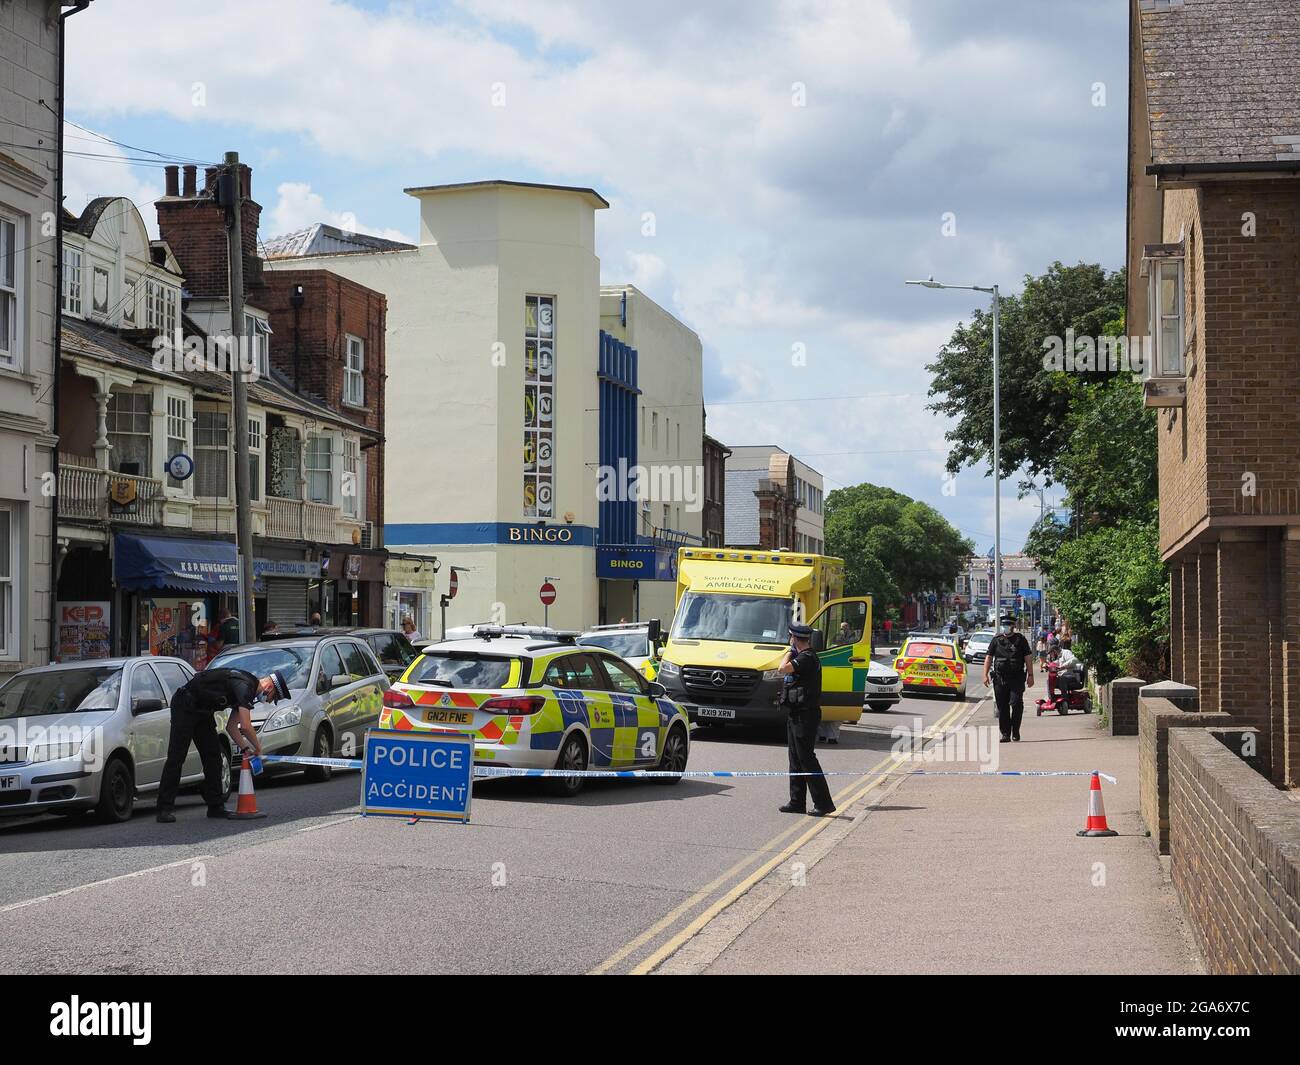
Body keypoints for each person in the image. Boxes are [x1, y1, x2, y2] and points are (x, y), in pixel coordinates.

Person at [156, 667, 285, 822]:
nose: (269, 701)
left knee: (213, 756)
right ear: (269, 687)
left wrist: (245, 748)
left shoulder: (247, 689)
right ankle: (164, 809)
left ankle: (215, 806)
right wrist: (258, 748)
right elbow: (245, 726)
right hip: (185, 705)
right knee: (177, 756)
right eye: (273, 698)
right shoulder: (245, 687)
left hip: (203, 710)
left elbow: (231, 727)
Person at [778, 623, 836, 817]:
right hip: (797, 712)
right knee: (795, 758)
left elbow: (782, 669)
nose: (790, 640)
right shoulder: (805, 657)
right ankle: (797, 801)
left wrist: (788, 652)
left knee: (807, 759)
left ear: (794, 638)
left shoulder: (807, 657)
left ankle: (824, 803)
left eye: (790, 638)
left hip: (806, 714)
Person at [983, 614, 1034, 743]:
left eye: (1008, 625)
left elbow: (1028, 657)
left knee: (1016, 704)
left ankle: (1015, 730)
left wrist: (1031, 675)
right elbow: (989, 657)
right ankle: (1005, 733)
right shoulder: (996, 640)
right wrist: (985, 674)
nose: (1006, 627)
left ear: (1013, 626)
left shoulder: (1020, 640)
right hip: (1000, 679)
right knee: (1002, 707)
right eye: (1004, 625)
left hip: (1016, 678)